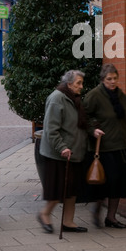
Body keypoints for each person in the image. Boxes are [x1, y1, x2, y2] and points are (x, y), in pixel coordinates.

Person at [83, 63, 126, 229]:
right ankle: (97, 209)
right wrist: (93, 129)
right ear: (103, 79)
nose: (112, 82)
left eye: (115, 78)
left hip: (120, 148)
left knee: (118, 184)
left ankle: (111, 217)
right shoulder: (94, 96)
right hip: (102, 149)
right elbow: (83, 117)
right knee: (103, 183)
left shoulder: (123, 98)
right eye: (109, 79)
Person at [38, 70, 88, 233]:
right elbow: (51, 129)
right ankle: (44, 214)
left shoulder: (74, 99)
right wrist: (62, 147)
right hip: (58, 154)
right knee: (58, 189)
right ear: (68, 84)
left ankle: (68, 222)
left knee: (71, 189)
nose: (81, 86)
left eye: (81, 82)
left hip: (73, 153)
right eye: (78, 83)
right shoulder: (57, 98)